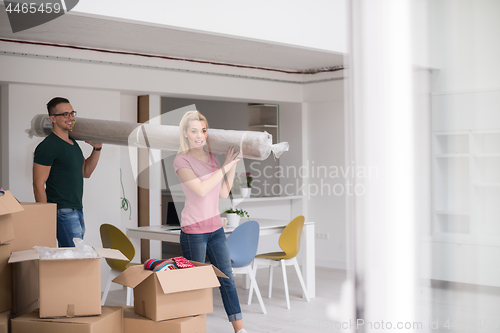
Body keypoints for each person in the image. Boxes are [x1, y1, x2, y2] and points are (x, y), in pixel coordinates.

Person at [174, 111, 247, 333]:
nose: (199, 136)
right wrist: (224, 168)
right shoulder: (181, 160)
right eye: (194, 131)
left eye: (203, 131)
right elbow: (201, 189)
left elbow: (223, 192)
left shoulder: (214, 160)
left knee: (227, 280)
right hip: (193, 231)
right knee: (195, 284)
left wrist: (230, 163)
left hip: (215, 229)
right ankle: (191, 328)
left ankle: (240, 330)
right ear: (185, 133)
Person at [33, 97, 102, 247]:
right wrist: (45, 217)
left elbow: (86, 172)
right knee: (75, 256)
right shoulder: (48, 146)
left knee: (74, 255)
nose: (71, 118)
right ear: (53, 119)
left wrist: (97, 149)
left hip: (77, 209)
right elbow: (38, 184)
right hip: (62, 211)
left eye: (72, 113)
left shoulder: (72, 143)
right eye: (65, 114)